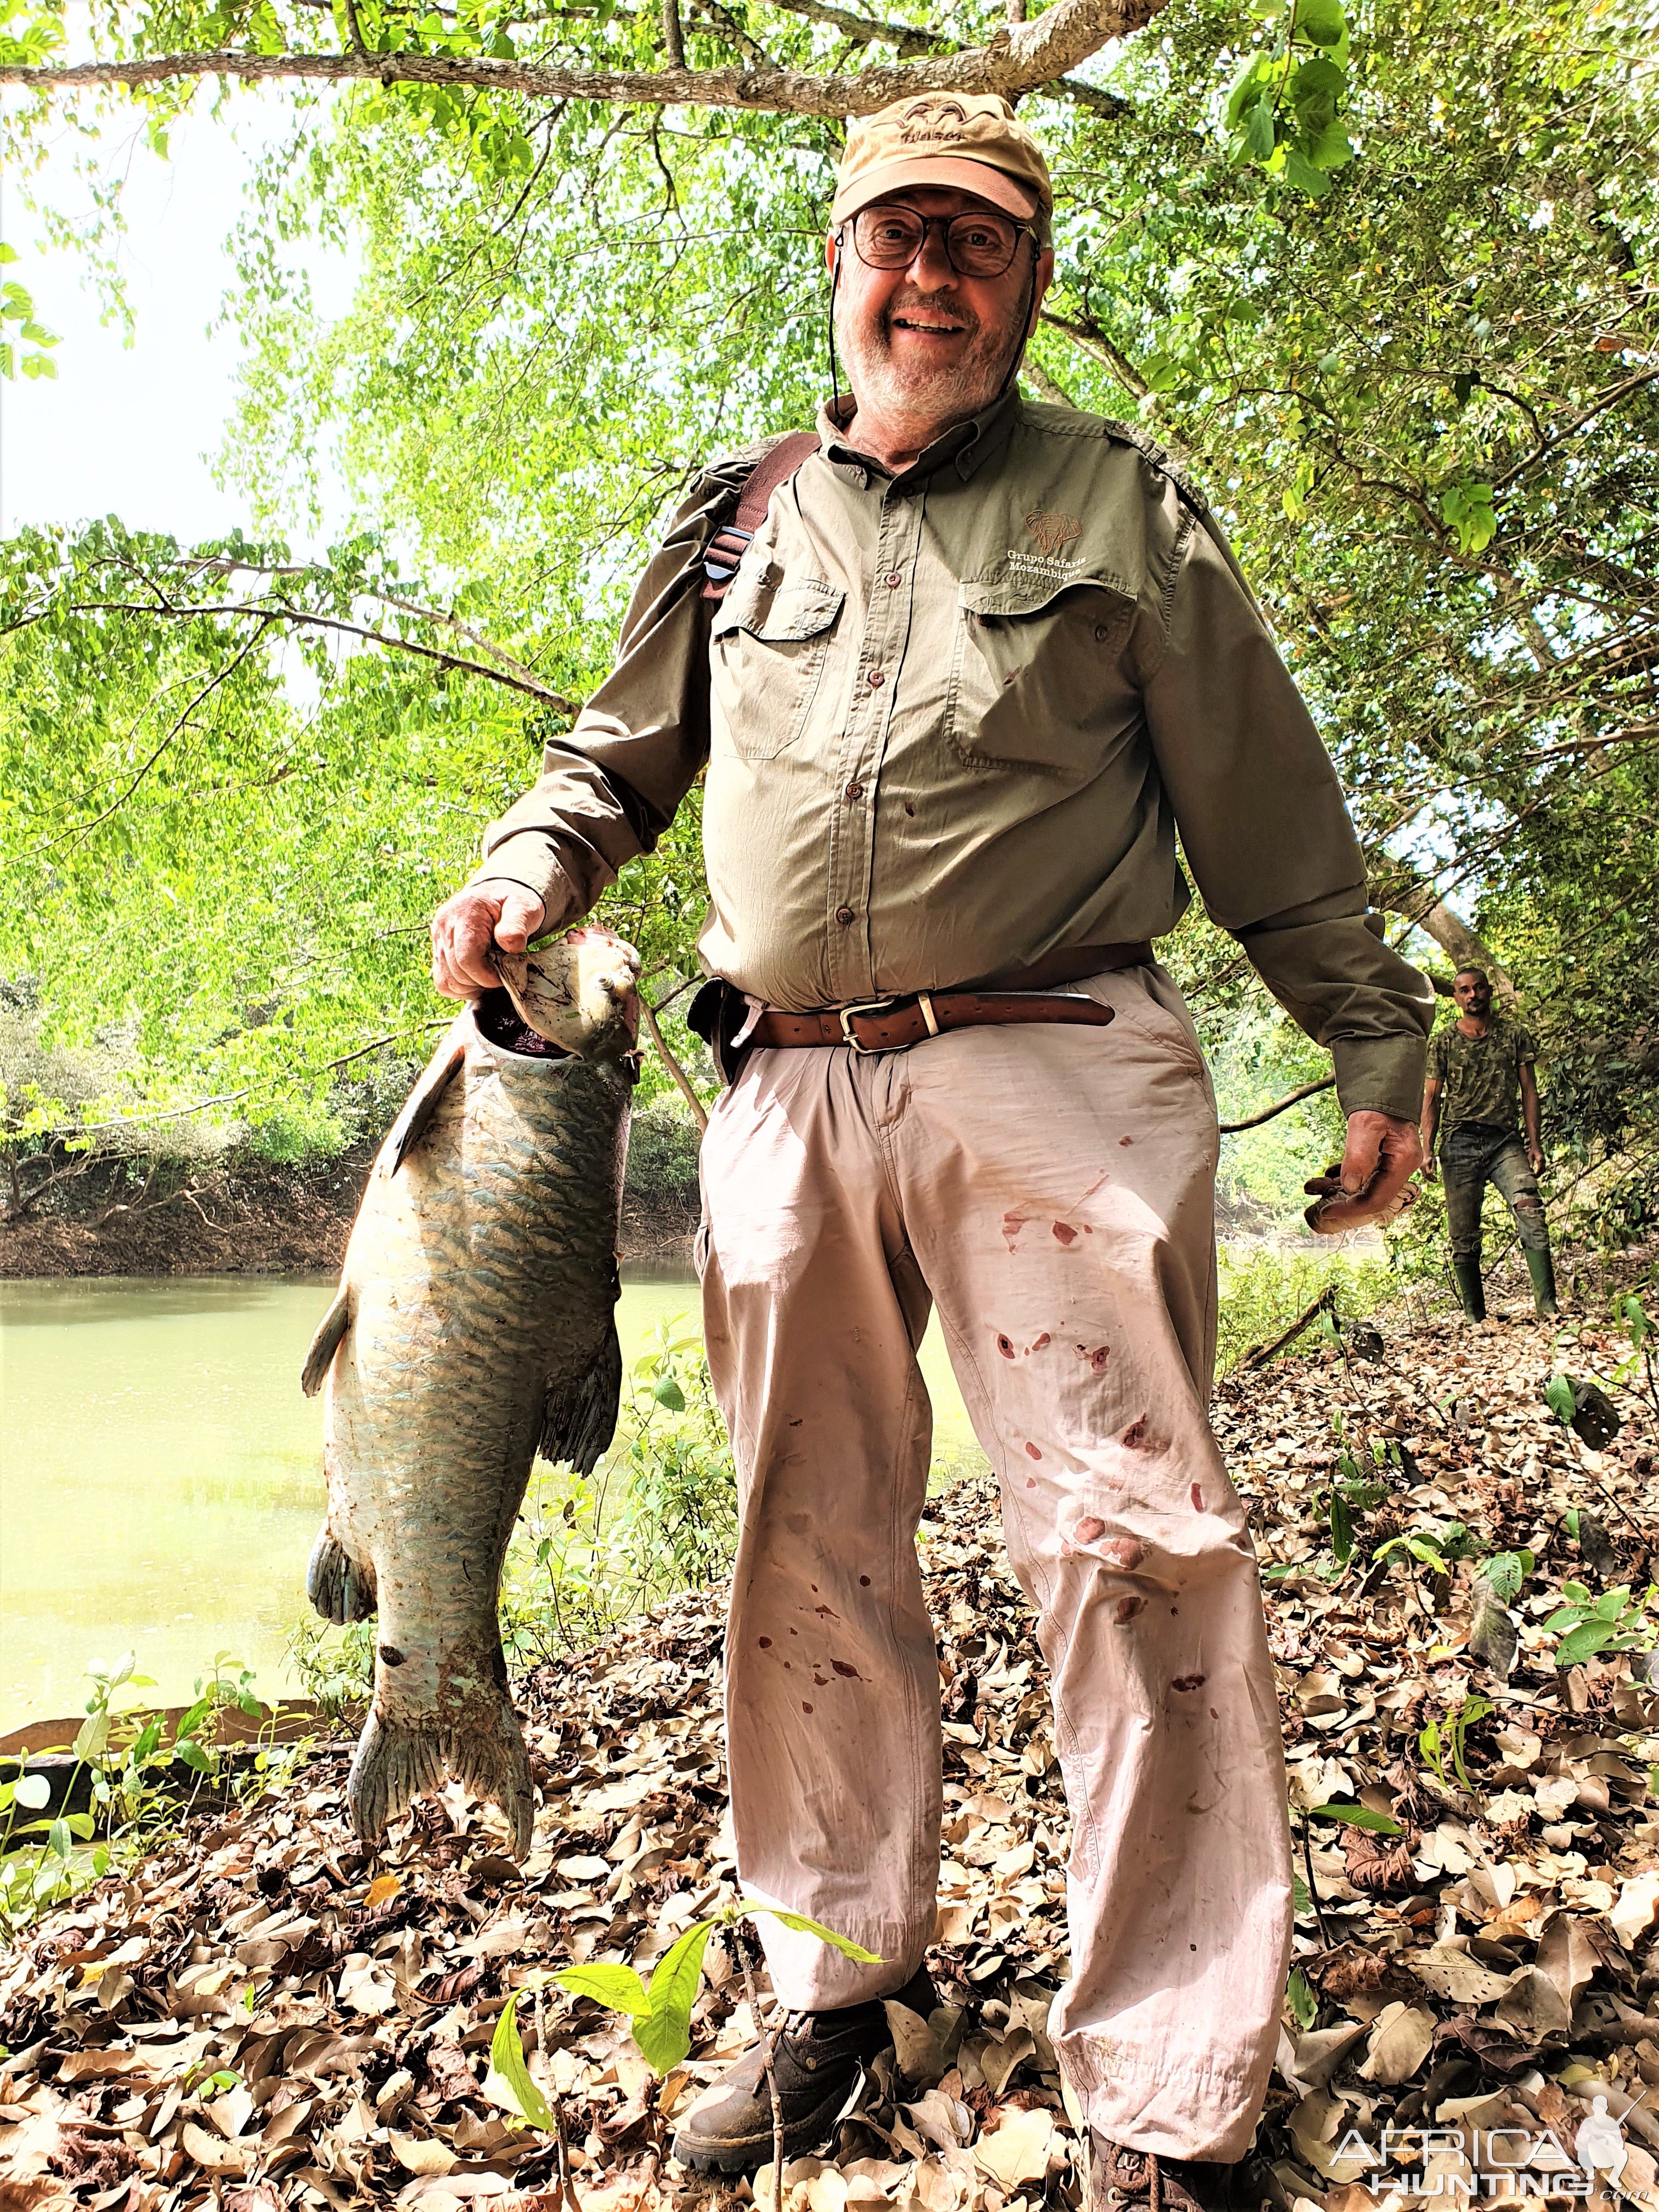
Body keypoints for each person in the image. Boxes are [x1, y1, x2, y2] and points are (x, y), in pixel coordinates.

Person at [430, 93, 1434, 2210]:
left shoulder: (1122, 515)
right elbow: (609, 761)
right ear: (836, 262)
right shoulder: (736, 521)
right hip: (781, 1091)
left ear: (1027, 282)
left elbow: (1264, 812)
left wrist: (1368, 1033)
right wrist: (525, 870)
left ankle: (1167, 2081)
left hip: (1054, 1060)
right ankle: (845, 1984)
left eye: (974, 243)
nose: (930, 274)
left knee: (1132, 1538)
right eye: (895, 233)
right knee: (803, 1537)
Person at [1420, 967, 1559, 1322]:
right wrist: (1426, 1149)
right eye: (1464, 990)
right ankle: (1475, 1318)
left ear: (1489, 992)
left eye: (1478, 988)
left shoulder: (1514, 1035)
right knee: (1464, 1234)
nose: (1472, 995)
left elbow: (1530, 1090)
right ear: (1456, 998)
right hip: (1459, 1142)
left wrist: (1535, 1143)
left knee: (1530, 1208)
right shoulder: (1445, 1041)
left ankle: (1548, 1308)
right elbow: (1432, 1097)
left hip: (1505, 1142)